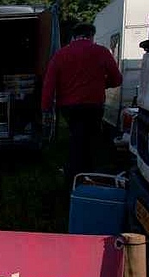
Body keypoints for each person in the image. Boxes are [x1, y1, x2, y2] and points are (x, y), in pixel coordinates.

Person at [41, 22, 123, 186]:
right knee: (92, 139)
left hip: (69, 108)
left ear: (74, 37)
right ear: (91, 36)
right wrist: (101, 85)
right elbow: (117, 79)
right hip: (93, 105)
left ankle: (73, 176)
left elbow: (49, 84)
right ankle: (91, 176)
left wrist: (46, 108)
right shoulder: (101, 52)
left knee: (76, 138)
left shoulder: (60, 54)